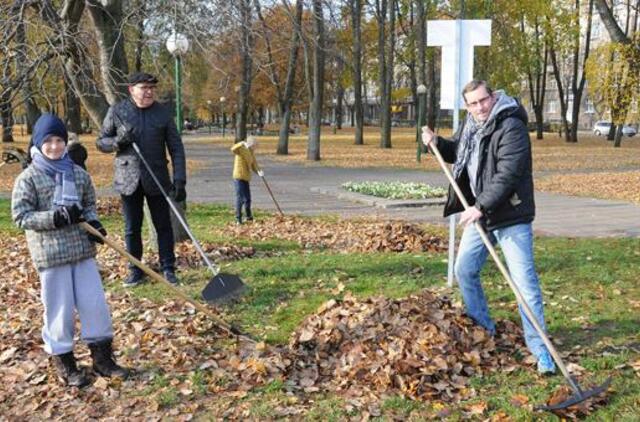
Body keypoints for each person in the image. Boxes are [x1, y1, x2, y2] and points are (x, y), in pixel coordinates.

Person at [421, 80, 556, 375]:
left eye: (483, 100)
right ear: (466, 106)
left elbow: (508, 174)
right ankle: (484, 330)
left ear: (493, 97)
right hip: (481, 214)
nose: (480, 108)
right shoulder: (472, 124)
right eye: (473, 103)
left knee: (525, 285)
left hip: (510, 215)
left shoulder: (511, 125)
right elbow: (459, 151)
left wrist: (478, 207)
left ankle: (541, 350)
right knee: (465, 269)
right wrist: (437, 143)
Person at [12, 114, 129, 388]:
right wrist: (54, 218)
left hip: (82, 251)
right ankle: (65, 364)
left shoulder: (77, 174)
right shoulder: (28, 178)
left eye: (59, 141)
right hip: (51, 256)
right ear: (39, 143)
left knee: (95, 306)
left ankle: (103, 360)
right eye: (49, 141)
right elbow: (21, 216)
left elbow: (88, 205)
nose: (54, 146)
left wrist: (94, 223)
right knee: (59, 310)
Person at [97, 72, 186, 286]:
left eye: (151, 88)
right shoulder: (118, 112)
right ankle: (135, 269)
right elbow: (101, 142)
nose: (148, 92)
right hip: (128, 179)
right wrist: (118, 142)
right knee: (131, 227)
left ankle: (168, 268)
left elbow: (176, 148)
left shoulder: (162, 113)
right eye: (144, 88)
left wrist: (180, 179)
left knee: (163, 226)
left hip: (157, 177)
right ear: (131, 89)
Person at [231, 136, 263, 225]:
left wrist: (259, 171)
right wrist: (241, 143)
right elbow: (233, 149)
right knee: (240, 198)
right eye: (255, 146)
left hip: (246, 177)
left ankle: (249, 217)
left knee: (248, 198)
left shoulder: (251, 151)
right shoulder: (241, 148)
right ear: (251, 144)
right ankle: (238, 218)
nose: (256, 148)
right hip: (239, 176)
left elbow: (254, 163)